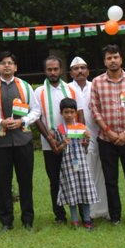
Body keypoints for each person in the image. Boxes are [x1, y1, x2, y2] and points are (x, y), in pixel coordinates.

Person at [0, 51, 40, 231]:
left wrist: (22, 121)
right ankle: (6, 220)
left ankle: (27, 219)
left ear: (15, 67)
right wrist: (0, 122)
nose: (7, 66)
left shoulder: (26, 86)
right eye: (3, 63)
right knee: (2, 182)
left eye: (10, 63)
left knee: (25, 181)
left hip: (23, 142)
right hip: (0, 143)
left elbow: (36, 111)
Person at [88, 44, 125, 225]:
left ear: (121, 59)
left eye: (115, 57)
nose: (113, 61)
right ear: (104, 61)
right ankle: (115, 216)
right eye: (109, 58)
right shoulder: (97, 82)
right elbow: (95, 110)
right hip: (106, 139)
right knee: (110, 180)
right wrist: (109, 132)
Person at [35, 55, 76, 223]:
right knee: (54, 180)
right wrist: (49, 139)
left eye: (55, 69)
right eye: (49, 69)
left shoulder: (70, 89)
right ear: (45, 71)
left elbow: (77, 114)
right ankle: (59, 215)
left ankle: (78, 213)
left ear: (61, 70)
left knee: (74, 176)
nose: (52, 72)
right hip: (48, 144)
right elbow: (36, 118)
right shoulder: (39, 91)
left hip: (71, 142)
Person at [68, 56, 109, 220]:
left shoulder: (96, 86)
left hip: (100, 136)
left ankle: (103, 210)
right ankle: (87, 212)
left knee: (102, 173)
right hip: (77, 140)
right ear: (71, 72)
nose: (80, 71)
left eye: (83, 68)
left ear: (88, 71)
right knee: (84, 175)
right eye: (76, 69)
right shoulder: (68, 89)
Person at [56, 98, 97, 230]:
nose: (69, 115)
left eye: (71, 112)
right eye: (66, 112)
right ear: (61, 113)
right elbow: (57, 150)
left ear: (75, 113)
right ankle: (74, 220)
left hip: (81, 163)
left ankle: (86, 218)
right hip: (68, 164)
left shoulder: (81, 127)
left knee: (84, 189)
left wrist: (87, 138)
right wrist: (64, 144)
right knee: (72, 190)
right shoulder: (60, 129)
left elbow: (85, 148)